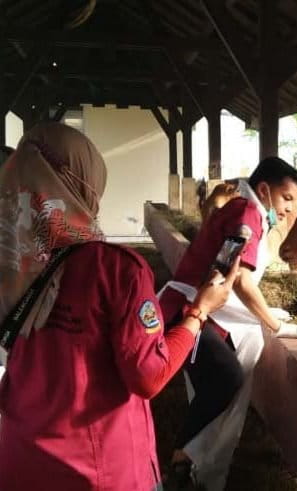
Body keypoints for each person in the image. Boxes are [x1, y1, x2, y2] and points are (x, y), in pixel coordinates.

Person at [0, 122, 238, 490]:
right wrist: (198, 312)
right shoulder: (115, 268)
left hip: (19, 458)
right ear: (82, 186)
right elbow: (148, 376)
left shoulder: (11, 262)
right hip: (98, 470)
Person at [159, 156, 297, 487]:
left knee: (218, 386)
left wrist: (264, 311)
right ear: (264, 190)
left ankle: (191, 469)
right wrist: (275, 325)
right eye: (286, 198)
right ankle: (182, 464)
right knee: (226, 379)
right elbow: (239, 278)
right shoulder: (247, 214)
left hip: (194, 303)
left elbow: (224, 270)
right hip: (187, 307)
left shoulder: (245, 210)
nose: (288, 209)